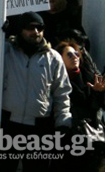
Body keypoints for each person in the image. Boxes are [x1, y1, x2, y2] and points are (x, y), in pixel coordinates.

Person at [0, 12, 72, 172]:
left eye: (40, 28)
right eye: (30, 28)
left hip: (39, 128)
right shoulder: (6, 52)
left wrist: (63, 123)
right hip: (9, 126)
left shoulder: (53, 58)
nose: (36, 32)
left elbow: (62, 93)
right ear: (20, 30)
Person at [53, 41, 105, 172]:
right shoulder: (57, 80)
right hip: (70, 136)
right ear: (60, 59)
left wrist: (98, 92)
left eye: (76, 54)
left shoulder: (88, 76)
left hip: (91, 136)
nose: (75, 57)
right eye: (69, 55)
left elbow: (95, 108)